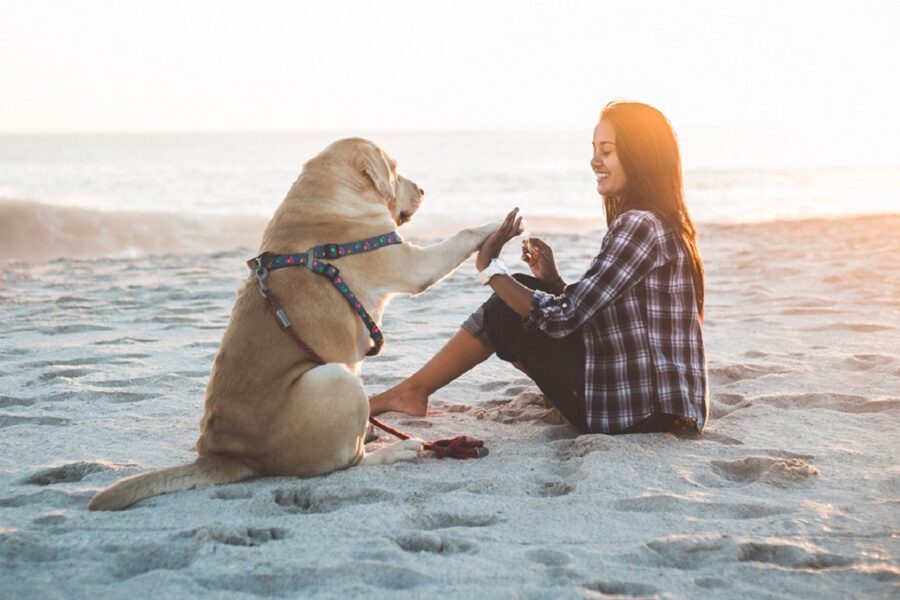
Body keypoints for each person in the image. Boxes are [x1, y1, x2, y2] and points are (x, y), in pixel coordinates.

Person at [370, 101, 708, 434]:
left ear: (641, 155)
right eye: (594, 149)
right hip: (668, 408)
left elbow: (566, 317)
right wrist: (553, 281)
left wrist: (490, 270)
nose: (594, 161)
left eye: (607, 151)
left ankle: (412, 392)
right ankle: (414, 390)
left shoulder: (638, 225)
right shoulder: (663, 223)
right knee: (528, 293)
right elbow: (611, 314)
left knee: (507, 307)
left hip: (633, 412)